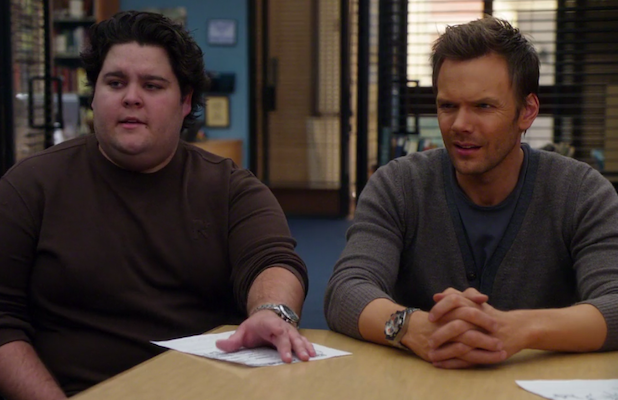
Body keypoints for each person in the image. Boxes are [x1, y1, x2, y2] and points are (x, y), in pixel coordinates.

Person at [0, 11, 315, 400]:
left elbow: (273, 261)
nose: (131, 97)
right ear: (94, 95)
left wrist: (271, 311)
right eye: (115, 83)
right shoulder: (30, 186)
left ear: (185, 102)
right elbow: (3, 322)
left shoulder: (231, 188)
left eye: (152, 85)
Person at [324, 16, 618, 369]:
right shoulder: (398, 185)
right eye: (448, 106)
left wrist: (520, 329)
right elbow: (347, 290)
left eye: (483, 106)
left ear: (527, 112)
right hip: (419, 384)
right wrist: (413, 328)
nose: (460, 125)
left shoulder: (581, 192)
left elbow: (614, 302)